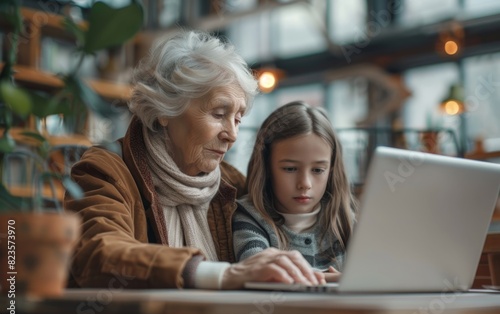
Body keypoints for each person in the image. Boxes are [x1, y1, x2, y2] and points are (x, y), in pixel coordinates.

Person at [64, 31, 325, 290]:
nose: (232, 135)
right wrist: (223, 274)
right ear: (165, 110)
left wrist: (317, 274)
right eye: (218, 113)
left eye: (237, 119)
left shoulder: (234, 184)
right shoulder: (105, 171)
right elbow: (98, 253)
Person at [232, 101, 358, 282]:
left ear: (331, 171)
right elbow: (260, 272)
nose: (305, 184)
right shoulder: (249, 216)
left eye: (317, 170)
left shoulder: (346, 220)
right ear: (266, 168)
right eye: (290, 169)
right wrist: (339, 279)